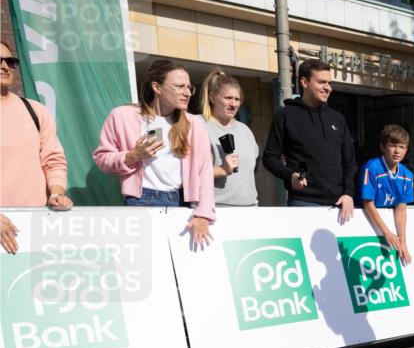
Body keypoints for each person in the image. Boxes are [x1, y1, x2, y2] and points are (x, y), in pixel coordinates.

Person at [93, 58, 214, 247]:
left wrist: (204, 213)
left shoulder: (193, 124)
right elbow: (101, 159)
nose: (187, 93)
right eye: (179, 86)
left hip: (181, 201)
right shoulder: (122, 115)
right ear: (157, 87)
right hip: (141, 201)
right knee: (145, 265)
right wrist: (133, 155)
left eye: (189, 87)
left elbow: (205, 172)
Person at [262, 59, 356, 221]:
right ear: (304, 82)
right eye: (321, 82)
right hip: (302, 203)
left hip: (339, 205)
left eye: (329, 83)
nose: (328, 88)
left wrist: (348, 193)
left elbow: (350, 162)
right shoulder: (285, 116)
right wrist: (290, 175)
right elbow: (269, 158)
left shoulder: (338, 119)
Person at [1, 40, 72, 213]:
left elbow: (54, 160)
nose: (5, 66)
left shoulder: (35, 110)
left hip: (33, 219)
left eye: (10, 62)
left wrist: (56, 194)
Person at [199, 69, 258, 207]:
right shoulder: (198, 126)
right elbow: (188, 174)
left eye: (237, 99)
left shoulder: (245, 130)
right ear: (212, 97)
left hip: (250, 209)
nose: (233, 104)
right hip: (214, 209)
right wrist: (222, 169)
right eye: (228, 98)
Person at [359, 124, 414, 264]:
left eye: (402, 147)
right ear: (383, 147)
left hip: (384, 228)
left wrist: (403, 242)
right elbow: (367, 203)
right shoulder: (372, 167)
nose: (397, 151)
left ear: (406, 150)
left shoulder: (408, 175)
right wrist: (387, 232)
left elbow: (401, 209)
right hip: (364, 224)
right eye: (393, 145)